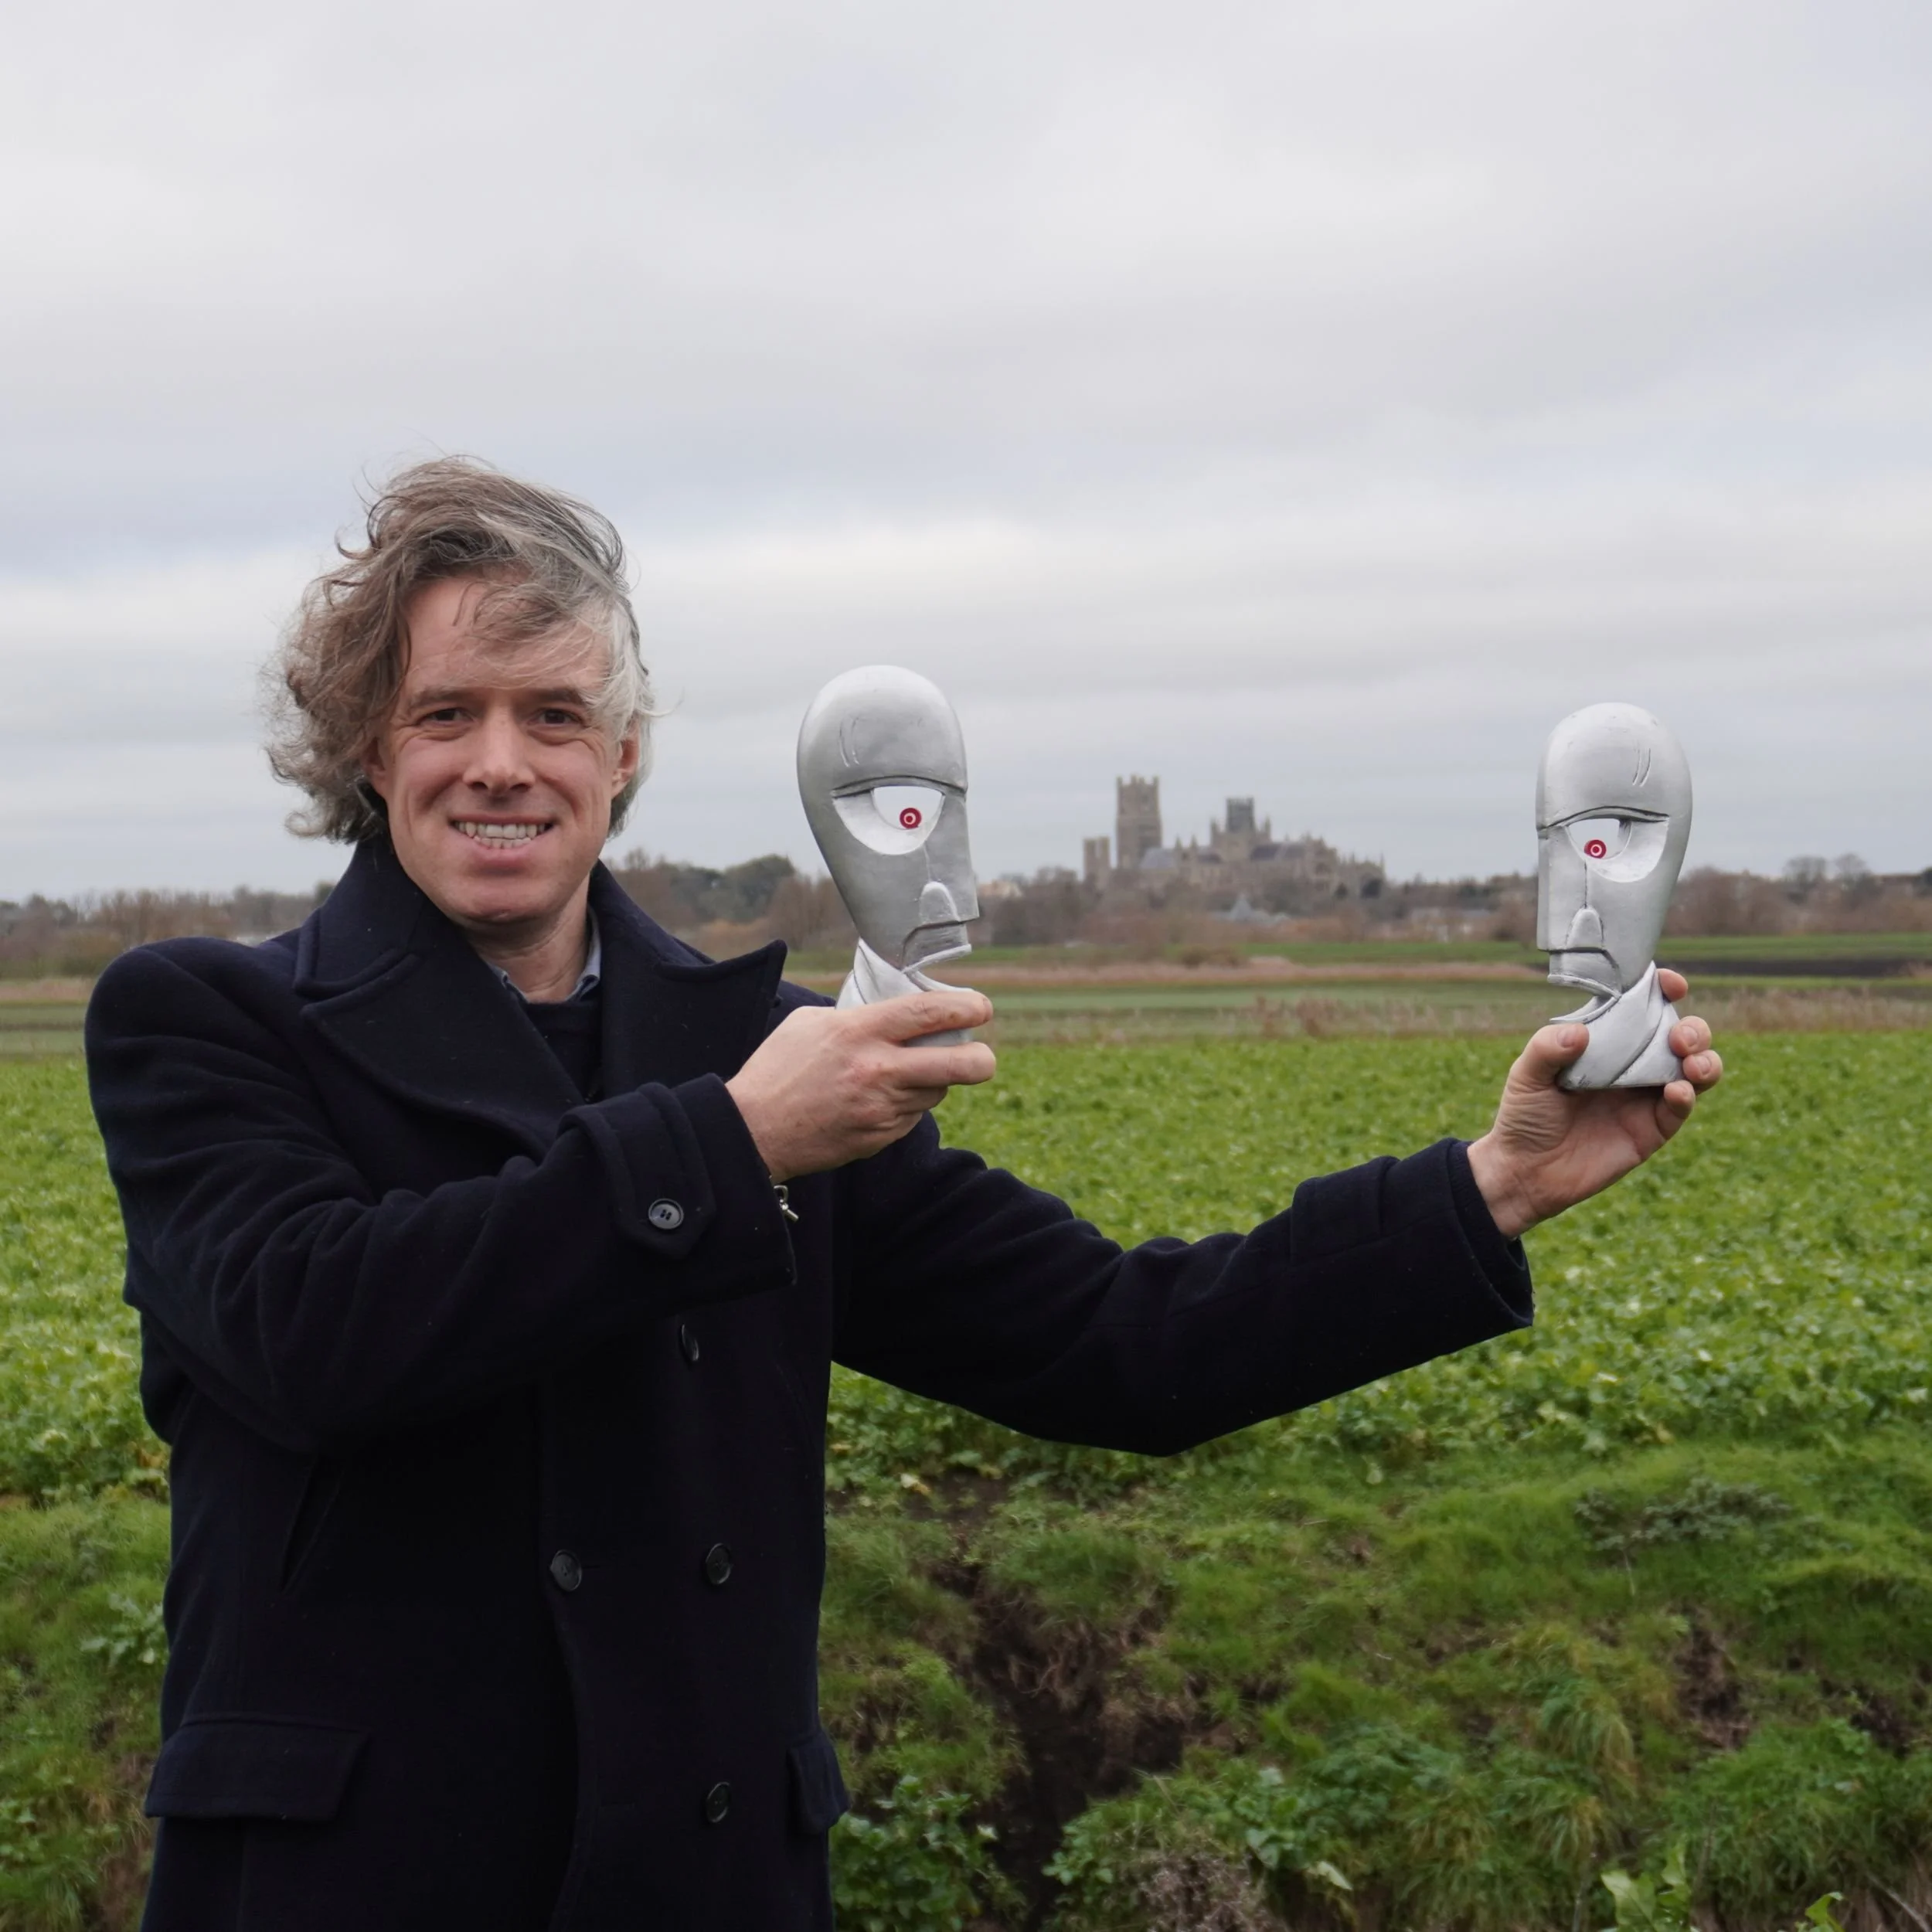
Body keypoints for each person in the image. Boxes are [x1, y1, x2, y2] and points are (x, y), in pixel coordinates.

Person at [85, 459, 1722, 1932]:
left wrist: (1483, 1188)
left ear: (625, 751)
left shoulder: (768, 1054)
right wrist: (728, 1147)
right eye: (446, 712)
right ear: (374, 748)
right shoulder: (211, 1021)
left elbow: (1121, 1344)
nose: (499, 762)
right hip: (355, 1888)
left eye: (554, 712)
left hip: (701, 1886)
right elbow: (314, 1331)